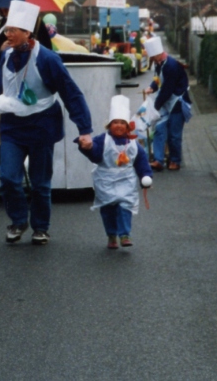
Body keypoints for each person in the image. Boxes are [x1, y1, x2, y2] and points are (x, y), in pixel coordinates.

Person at [0, 0, 93, 245]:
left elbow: (71, 93)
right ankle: (18, 220)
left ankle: (40, 227)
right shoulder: (5, 56)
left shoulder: (48, 59)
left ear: (28, 32)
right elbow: (2, 91)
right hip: (12, 126)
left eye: (13, 30)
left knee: (40, 183)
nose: (8, 34)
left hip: (42, 126)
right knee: (8, 178)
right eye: (7, 29)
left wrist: (85, 129)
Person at [76, 95, 153, 250]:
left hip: (126, 179)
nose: (119, 125)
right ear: (109, 125)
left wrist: (145, 175)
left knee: (125, 206)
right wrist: (88, 148)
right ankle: (111, 235)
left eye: (122, 123)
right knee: (108, 208)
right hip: (106, 179)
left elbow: (141, 161)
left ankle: (125, 235)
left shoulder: (133, 143)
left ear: (128, 126)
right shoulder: (102, 140)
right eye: (115, 122)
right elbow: (96, 155)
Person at [142, 36, 192, 171]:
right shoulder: (159, 64)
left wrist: (155, 107)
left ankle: (175, 160)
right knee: (159, 129)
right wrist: (152, 87)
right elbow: (157, 80)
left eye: (153, 57)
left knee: (174, 134)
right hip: (166, 102)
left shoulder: (171, 66)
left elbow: (167, 90)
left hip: (177, 102)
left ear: (158, 54)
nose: (152, 60)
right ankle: (158, 160)